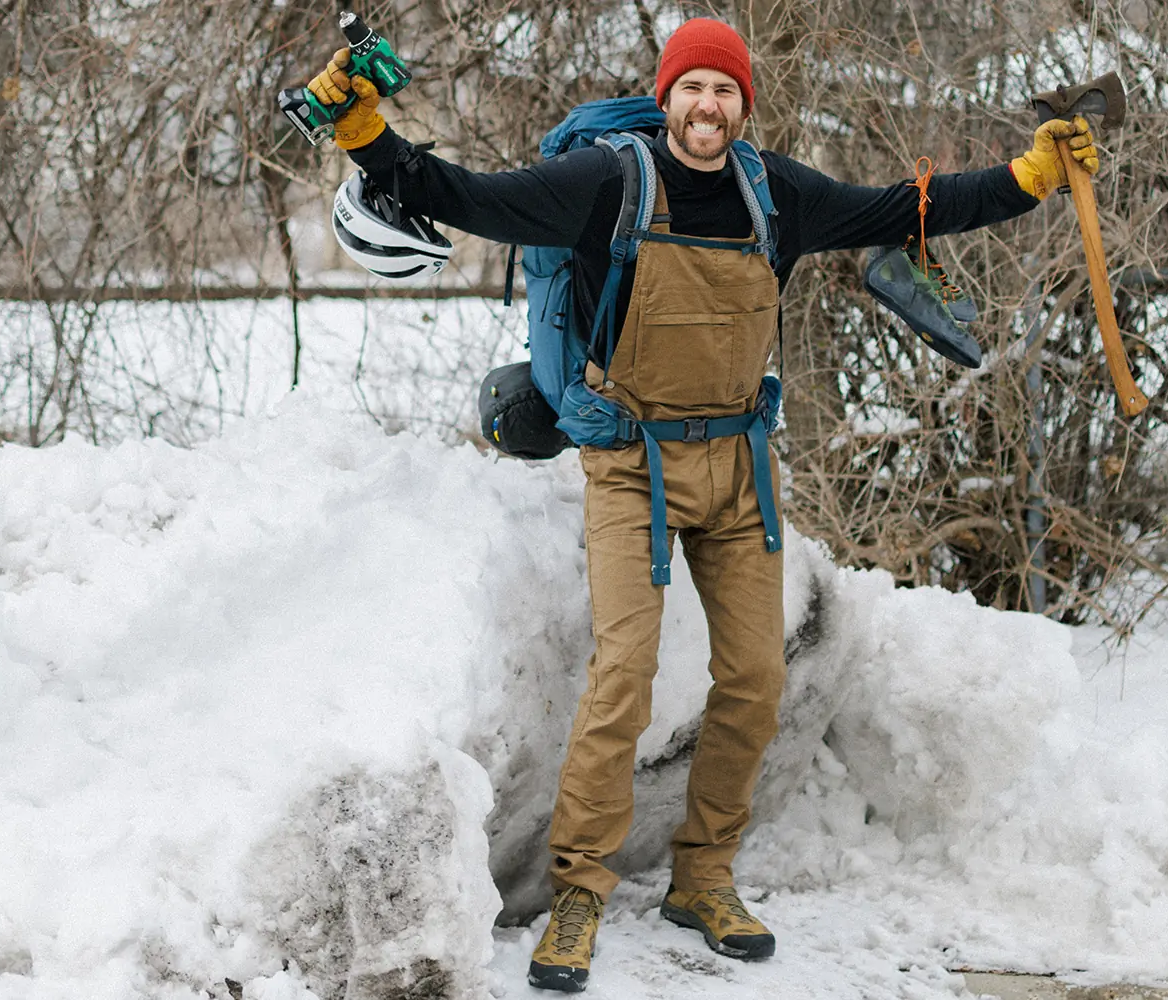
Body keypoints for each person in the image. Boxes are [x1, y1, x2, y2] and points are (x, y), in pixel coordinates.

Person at [305, 17, 1097, 993]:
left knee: (758, 678)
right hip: (632, 460)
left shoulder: (780, 194)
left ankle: (705, 876)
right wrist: (362, 132)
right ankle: (582, 892)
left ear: (741, 105)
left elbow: (904, 209)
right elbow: (463, 197)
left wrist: (1029, 177)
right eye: (694, 89)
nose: (709, 106)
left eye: (726, 91)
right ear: (668, 94)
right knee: (622, 680)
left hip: (738, 468)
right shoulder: (607, 183)